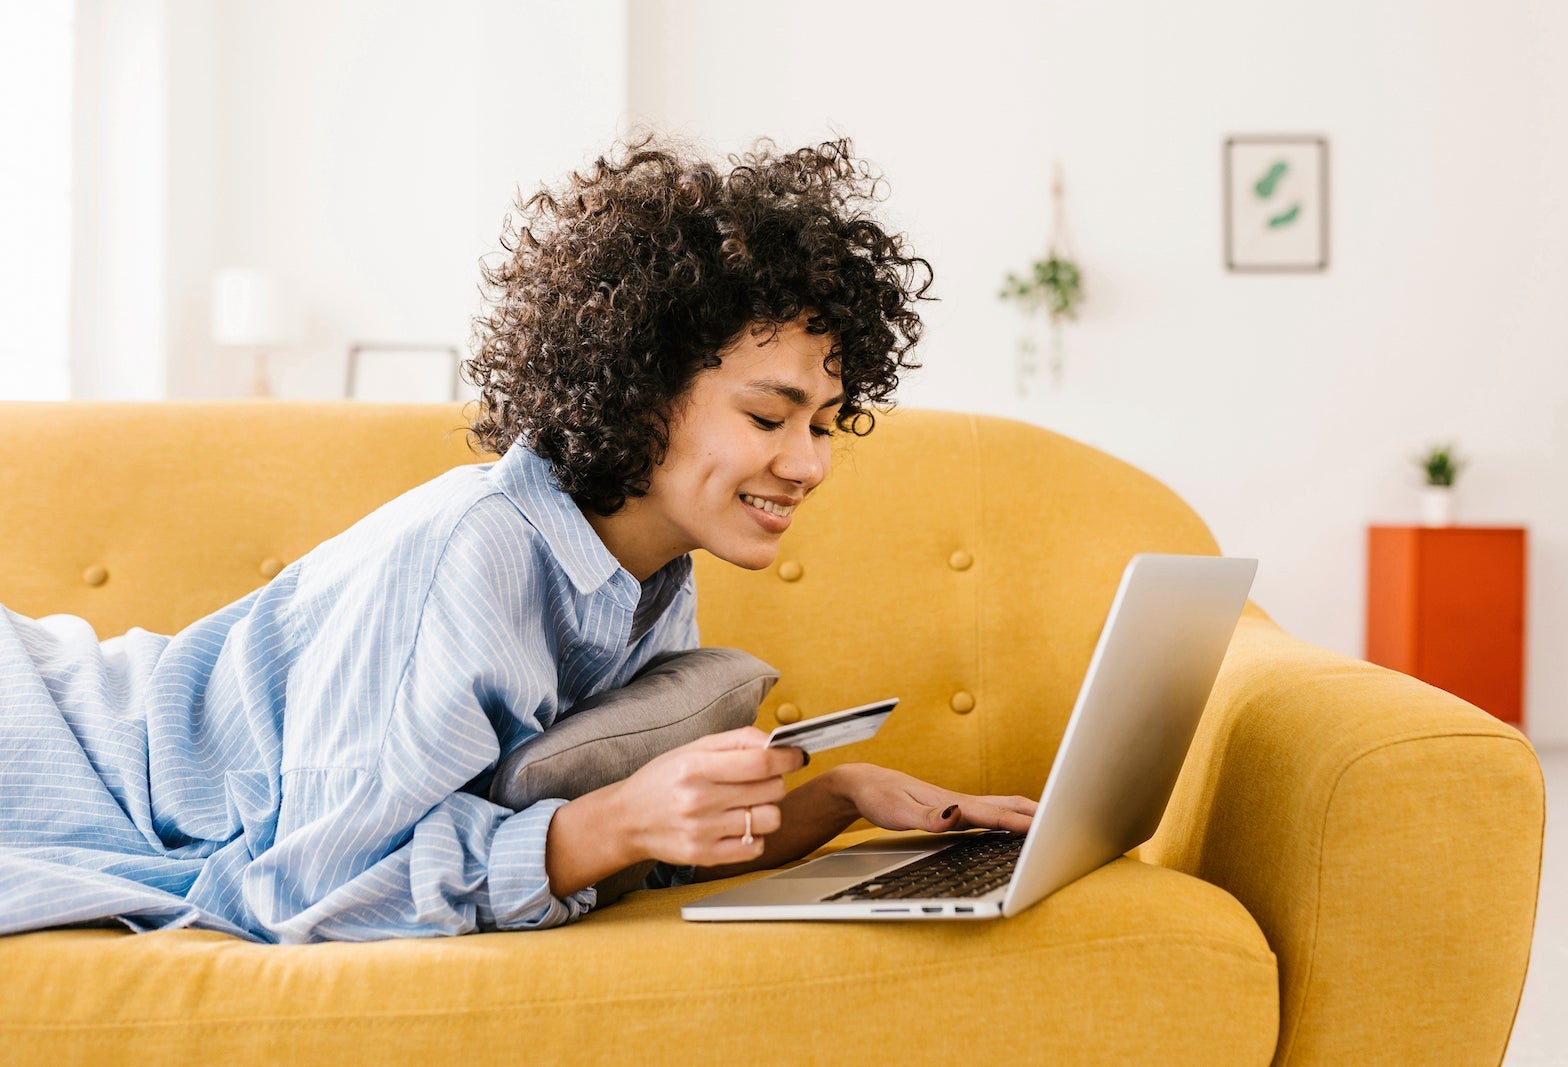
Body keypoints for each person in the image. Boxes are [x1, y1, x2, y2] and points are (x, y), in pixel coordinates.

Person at [0, 135, 1035, 944]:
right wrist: (611, 822)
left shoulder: (646, 577)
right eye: (770, 418)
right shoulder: (476, 551)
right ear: (638, 391)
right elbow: (302, 895)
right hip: (46, 742)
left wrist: (839, 800)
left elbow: (614, 849)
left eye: (822, 422)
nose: (809, 463)